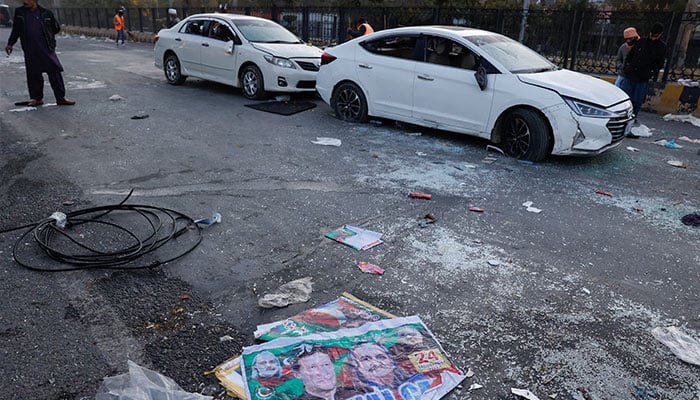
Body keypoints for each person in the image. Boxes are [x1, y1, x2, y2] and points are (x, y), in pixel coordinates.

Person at [4, 0, 75, 106]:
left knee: (54, 71)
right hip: (30, 48)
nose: (24, 1)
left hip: (46, 48)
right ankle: (37, 98)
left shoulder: (46, 13)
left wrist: (48, 36)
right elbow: (16, 29)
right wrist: (10, 43)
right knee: (33, 74)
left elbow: (55, 28)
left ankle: (60, 98)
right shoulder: (20, 12)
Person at [620, 22, 667, 121]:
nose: (653, 37)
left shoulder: (661, 47)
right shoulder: (641, 42)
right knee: (624, 98)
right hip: (630, 74)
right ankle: (621, 116)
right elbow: (630, 56)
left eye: (656, 35)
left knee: (637, 100)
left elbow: (659, 63)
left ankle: (632, 118)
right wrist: (627, 67)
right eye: (652, 35)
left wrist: (651, 73)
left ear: (660, 35)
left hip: (643, 77)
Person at [291, 345, 360, 400]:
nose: (323, 372)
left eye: (326, 365)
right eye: (313, 367)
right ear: (297, 374)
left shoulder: (360, 394)